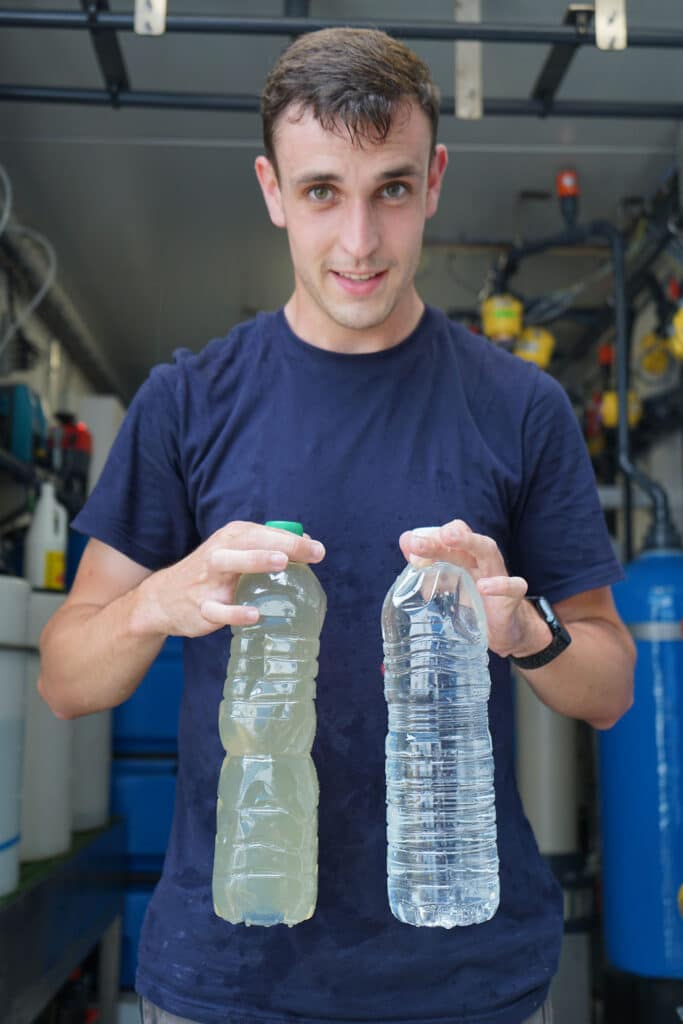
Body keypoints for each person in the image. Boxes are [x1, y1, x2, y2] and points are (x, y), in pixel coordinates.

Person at [39, 27, 635, 1024]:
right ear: (272, 189)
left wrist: (526, 632)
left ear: (434, 179)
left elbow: (611, 685)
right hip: (230, 977)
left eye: (390, 190)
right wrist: (156, 598)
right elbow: (62, 678)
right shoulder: (187, 401)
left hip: (467, 976)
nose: (357, 243)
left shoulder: (519, 408)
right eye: (322, 192)